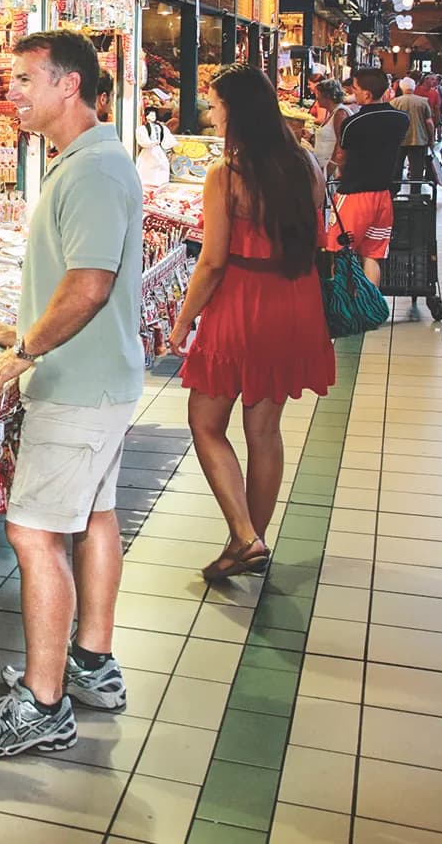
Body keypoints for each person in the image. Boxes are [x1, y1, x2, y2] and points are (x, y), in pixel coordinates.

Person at [0, 31, 143, 758]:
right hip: (98, 378)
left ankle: (44, 704)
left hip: (77, 387)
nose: (14, 92)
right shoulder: (89, 159)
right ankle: (89, 662)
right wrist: (18, 327)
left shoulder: (91, 171)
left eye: (26, 79)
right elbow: (80, 278)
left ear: (69, 85)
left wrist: (30, 349)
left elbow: (90, 286)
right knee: (93, 517)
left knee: (33, 533)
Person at [168, 65, 334, 581]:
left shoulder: (228, 173)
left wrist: (183, 318)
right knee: (264, 430)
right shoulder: (304, 162)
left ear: (236, 112)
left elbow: (212, 260)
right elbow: (317, 236)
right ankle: (250, 542)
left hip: (242, 302)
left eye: (216, 106)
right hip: (292, 299)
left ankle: (244, 536)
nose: (212, 115)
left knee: (205, 422)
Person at [329, 68, 407, 287]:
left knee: (341, 251)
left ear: (367, 94)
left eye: (355, 89)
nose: (352, 93)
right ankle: (369, 304)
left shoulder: (353, 123)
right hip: (382, 196)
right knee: (372, 254)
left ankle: (345, 308)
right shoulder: (401, 119)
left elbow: (341, 157)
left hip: (354, 196)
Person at [390, 76, 435, 182]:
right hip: (418, 139)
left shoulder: (394, 102)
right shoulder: (423, 102)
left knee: (397, 168)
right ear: (414, 87)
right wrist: (431, 139)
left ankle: (394, 191)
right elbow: (429, 123)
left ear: (401, 88)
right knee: (417, 170)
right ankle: (415, 194)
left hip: (399, 140)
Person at [311, 80, 351, 179]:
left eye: (318, 95)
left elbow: (341, 142)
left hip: (331, 171)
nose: (317, 98)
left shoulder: (340, 113)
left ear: (327, 96)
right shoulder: (332, 113)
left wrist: (332, 165)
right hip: (323, 167)